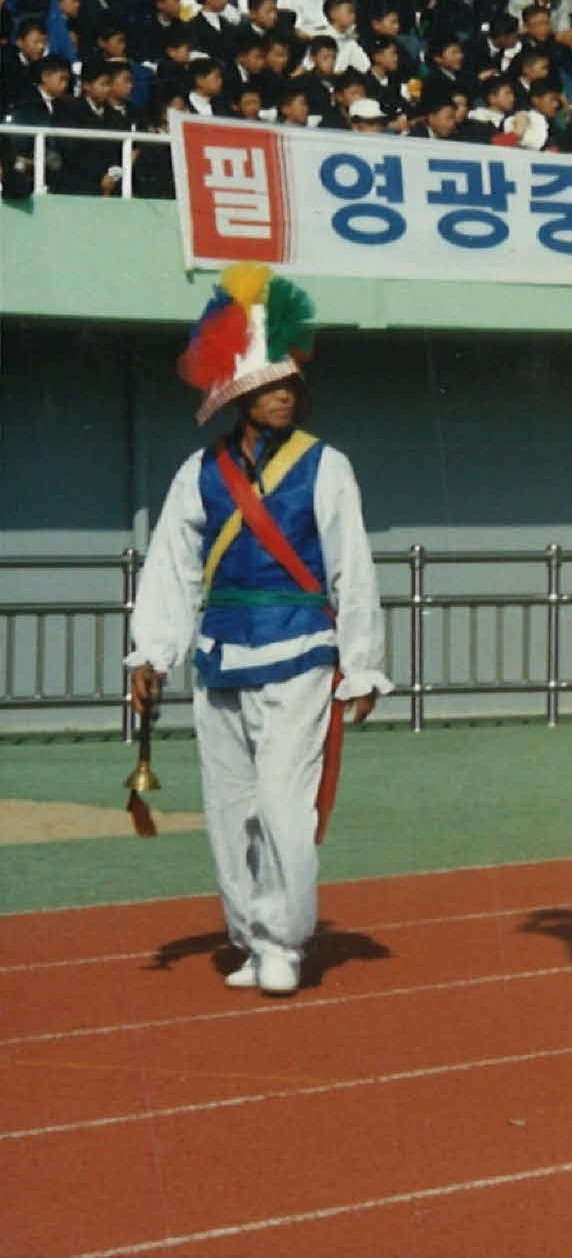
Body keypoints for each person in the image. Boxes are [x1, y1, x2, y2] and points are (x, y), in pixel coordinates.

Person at [125, 265, 388, 996]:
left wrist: (361, 663)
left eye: (290, 384)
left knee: (282, 805)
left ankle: (282, 942)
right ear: (239, 395)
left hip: (300, 650)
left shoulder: (326, 466)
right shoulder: (199, 471)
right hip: (220, 655)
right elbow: (172, 566)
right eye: (270, 385)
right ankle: (247, 934)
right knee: (229, 810)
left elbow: (353, 567)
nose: (284, 395)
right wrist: (154, 652)